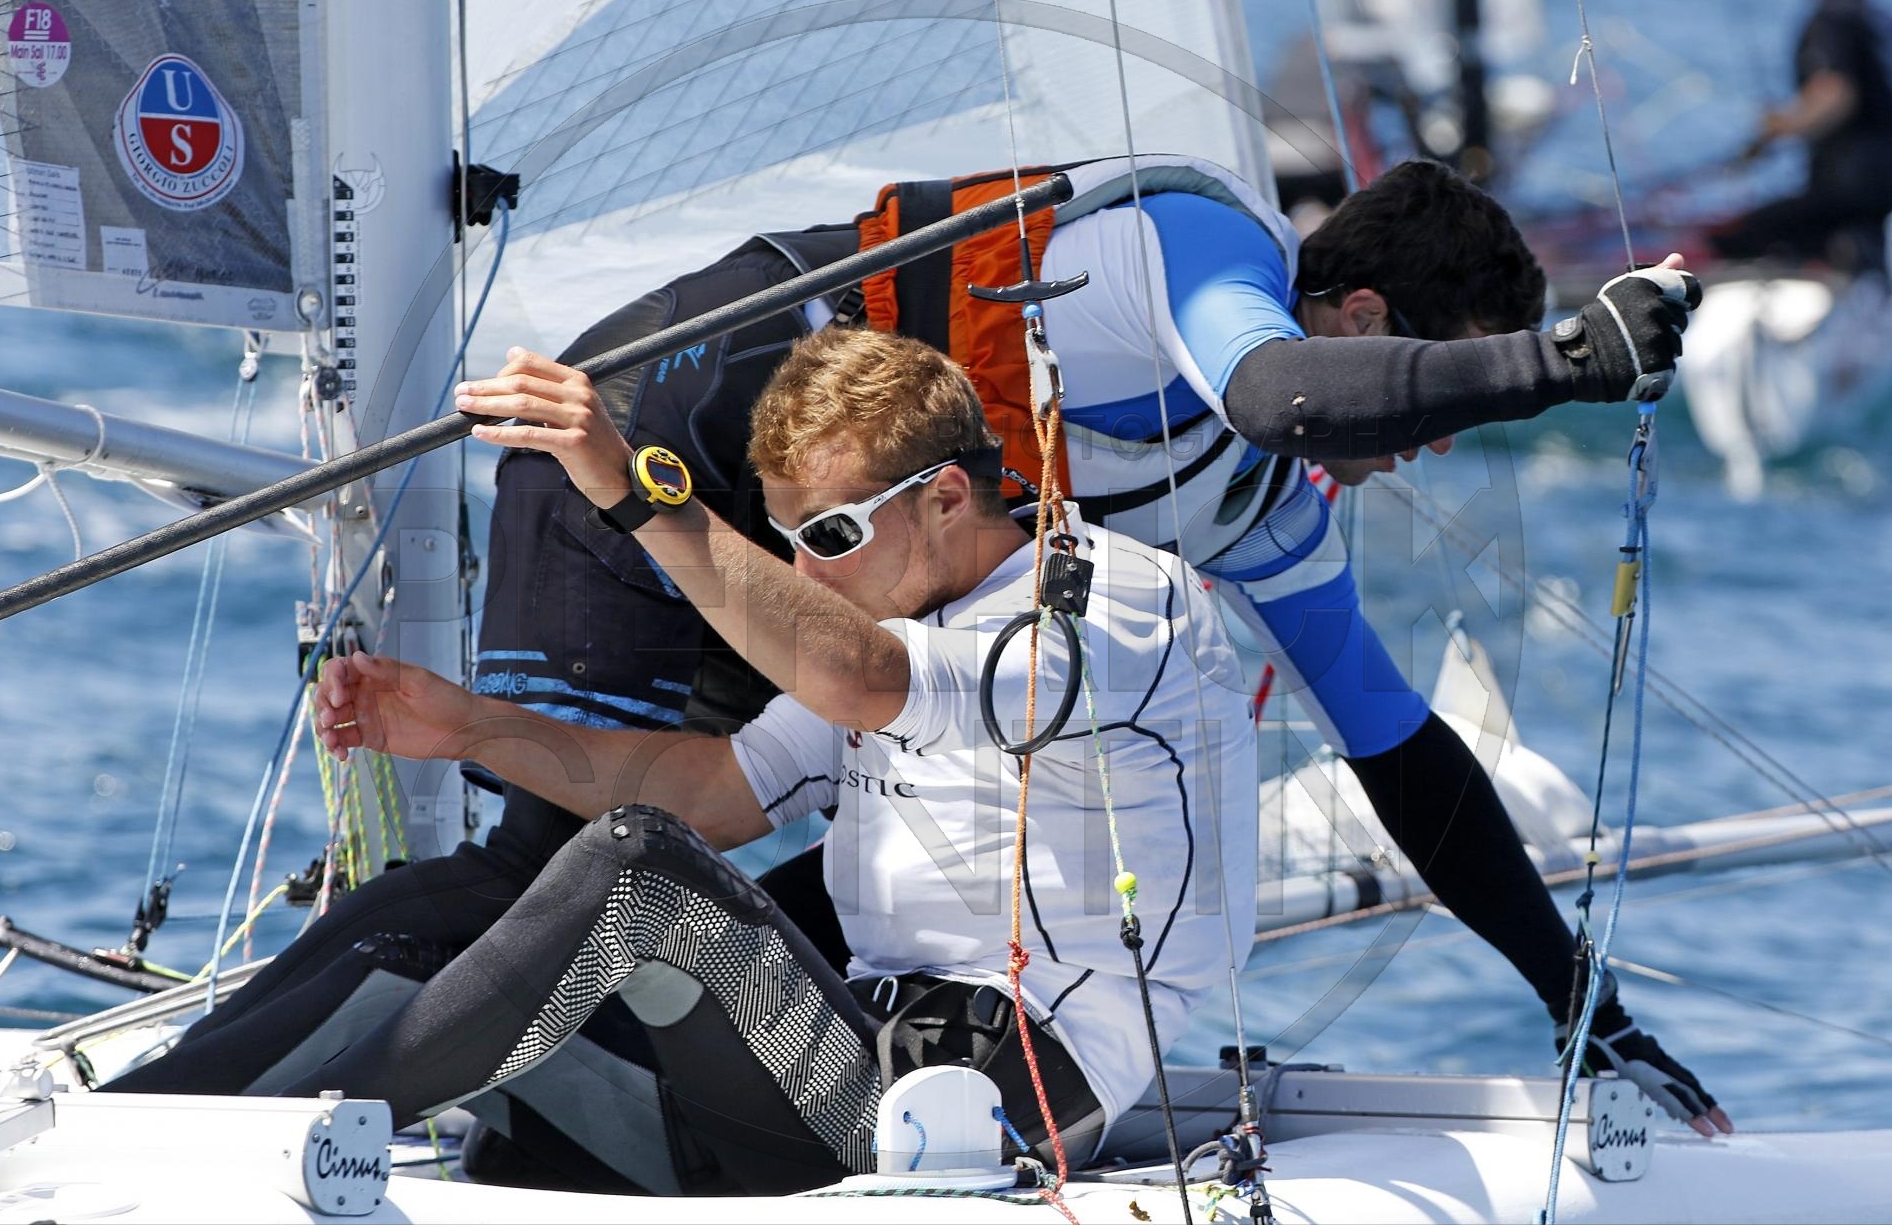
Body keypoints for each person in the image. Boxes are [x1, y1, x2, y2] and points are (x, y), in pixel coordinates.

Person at [108, 158, 1730, 1150]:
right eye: (1437, 391)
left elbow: (1406, 765)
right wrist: (1553, 365)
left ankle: (517, 1108)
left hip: (827, 570)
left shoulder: (1239, 529)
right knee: (546, 878)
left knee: (670, 878)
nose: (1434, 442)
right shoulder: (1201, 254)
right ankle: (198, 1123)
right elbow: (1274, 391)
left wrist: (1579, 1004)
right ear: (1365, 319)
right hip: (662, 430)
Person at [311, 329, 1261, 1189]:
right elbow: (712, 795)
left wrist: (634, 491)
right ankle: (230, 1110)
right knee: (473, 1016)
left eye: (831, 535)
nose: (807, 572)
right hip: (866, 1055)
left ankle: (320, 1131)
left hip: (1005, 1095)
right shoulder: (897, 633)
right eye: (786, 538)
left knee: (638, 867)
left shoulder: (1117, 605)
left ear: (945, 498)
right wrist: (471, 728)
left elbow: (859, 680)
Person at [1712, 0, 1892, 272]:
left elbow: (1836, 93)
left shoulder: (1832, 17)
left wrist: (1779, 127)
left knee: (1735, 236)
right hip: (1878, 185)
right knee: (1857, 252)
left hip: (1847, 184)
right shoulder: (1873, 13)